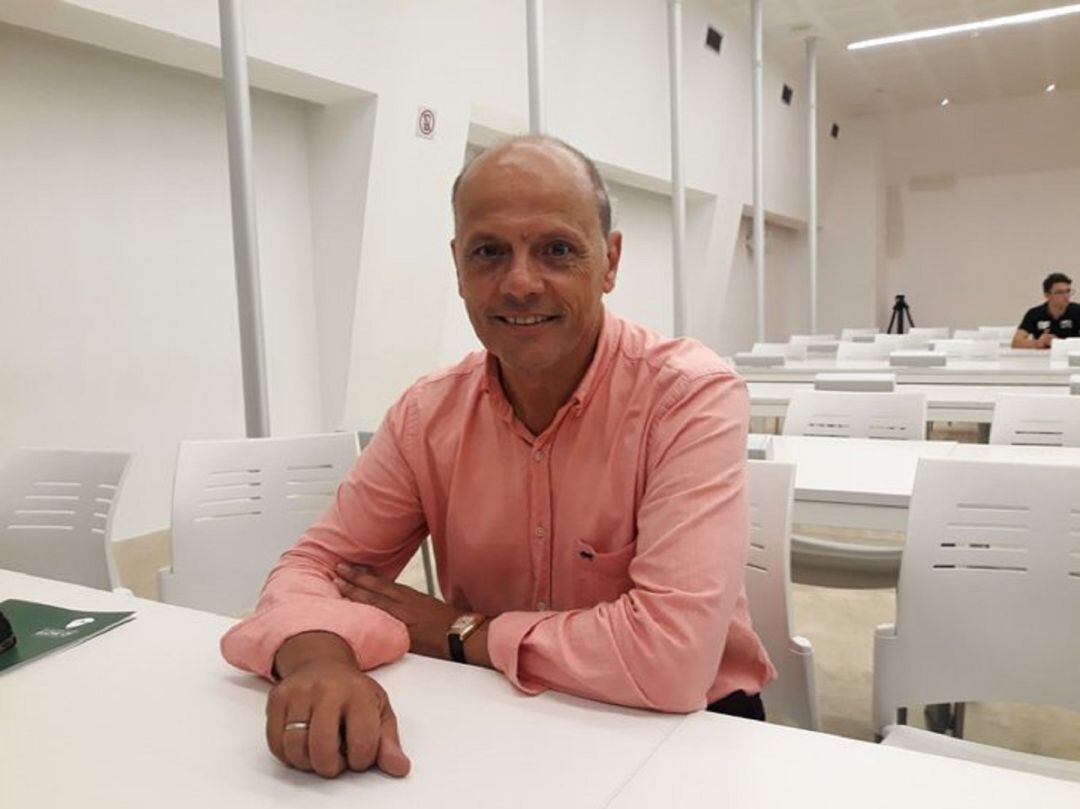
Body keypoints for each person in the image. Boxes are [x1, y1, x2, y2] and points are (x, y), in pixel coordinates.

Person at [220, 135, 774, 779]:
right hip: (497, 716)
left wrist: (459, 632)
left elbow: (670, 661)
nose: (519, 283)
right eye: (489, 252)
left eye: (557, 250)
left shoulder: (687, 397)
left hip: (691, 732)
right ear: (458, 266)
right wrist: (317, 656)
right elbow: (318, 565)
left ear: (611, 261)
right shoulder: (428, 415)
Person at [1012, 272, 1080, 349]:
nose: (1066, 296)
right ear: (1047, 295)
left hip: (1070, 356)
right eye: (1060, 292)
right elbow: (1016, 342)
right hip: (1042, 358)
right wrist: (1037, 343)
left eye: (1068, 291)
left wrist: (1059, 343)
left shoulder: (1077, 311)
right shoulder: (1034, 313)